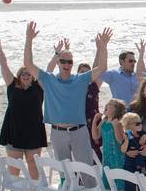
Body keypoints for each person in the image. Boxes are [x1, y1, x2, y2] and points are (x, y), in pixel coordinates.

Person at [24, 22, 110, 171]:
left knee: (87, 171)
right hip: (58, 133)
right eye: (63, 61)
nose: (66, 64)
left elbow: (101, 67)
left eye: (69, 61)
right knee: (65, 174)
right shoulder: (48, 79)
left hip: (80, 131)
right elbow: (28, 63)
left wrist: (103, 46)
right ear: (57, 62)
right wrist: (29, 39)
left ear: (72, 64)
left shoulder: (80, 79)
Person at [0, 33, 45, 180]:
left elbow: (48, 69)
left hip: (34, 130)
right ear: (19, 75)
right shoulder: (12, 84)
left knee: (33, 163)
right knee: (15, 164)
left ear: (33, 75)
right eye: (23, 73)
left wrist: (56, 54)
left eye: (29, 73)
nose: (26, 75)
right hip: (13, 129)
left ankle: (34, 190)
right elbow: (4, 64)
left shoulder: (39, 86)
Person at [93, 98, 127, 190]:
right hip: (107, 156)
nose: (107, 104)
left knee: (118, 180)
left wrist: (115, 126)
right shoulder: (104, 121)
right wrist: (94, 121)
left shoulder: (118, 123)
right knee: (108, 180)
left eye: (110, 104)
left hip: (117, 156)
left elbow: (120, 141)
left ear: (116, 109)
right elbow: (96, 136)